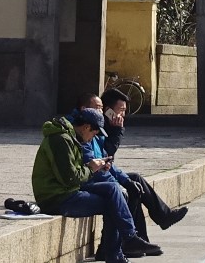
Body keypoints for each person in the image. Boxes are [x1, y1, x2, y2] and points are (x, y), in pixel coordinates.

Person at [30, 109, 153, 261]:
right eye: (94, 134)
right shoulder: (61, 140)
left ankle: (128, 238)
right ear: (86, 127)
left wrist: (97, 167)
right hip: (56, 197)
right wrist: (91, 168)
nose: (92, 138)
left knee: (114, 190)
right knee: (112, 203)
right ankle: (117, 250)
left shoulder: (71, 137)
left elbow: (73, 172)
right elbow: (69, 178)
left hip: (68, 190)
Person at [87, 89, 189, 241]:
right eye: (120, 111)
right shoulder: (92, 128)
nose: (122, 115)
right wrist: (116, 131)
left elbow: (107, 159)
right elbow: (105, 156)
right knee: (130, 187)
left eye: (124, 111)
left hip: (103, 174)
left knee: (135, 180)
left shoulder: (104, 126)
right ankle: (138, 237)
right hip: (93, 179)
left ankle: (153, 227)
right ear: (108, 110)